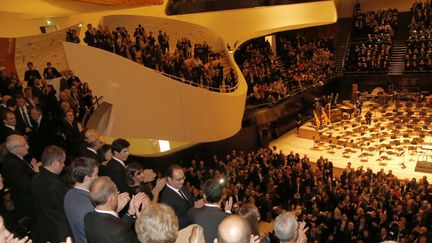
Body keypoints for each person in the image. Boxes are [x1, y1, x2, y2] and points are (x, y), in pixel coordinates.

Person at [84, 177, 147, 243]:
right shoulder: (118, 231)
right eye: (117, 191)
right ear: (112, 197)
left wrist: (130, 212)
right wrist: (142, 221)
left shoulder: (88, 217)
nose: (118, 193)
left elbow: (112, 226)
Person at [31, 145, 72, 242]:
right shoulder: (55, 185)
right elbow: (66, 208)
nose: (63, 165)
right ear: (55, 163)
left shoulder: (36, 177)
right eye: (63, 162)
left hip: (44, 228)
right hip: (60, 231)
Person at [2, 135, 38, 228]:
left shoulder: (16, 158)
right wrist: (36, 172)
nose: (28, 146)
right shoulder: (12, 163)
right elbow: (27, 185)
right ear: (15, 148)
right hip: (28, 205)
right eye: (24, 144)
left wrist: (33, 169)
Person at [64, 157, 99, 243]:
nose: (98, 177)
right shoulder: (89, 203)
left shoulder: (69, 194)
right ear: (86, 178)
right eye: (96, 175)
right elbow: (100, 233)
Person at [188, 179, 231, 243]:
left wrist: (195, 208)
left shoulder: (192, 212)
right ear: (221, 198)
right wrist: (228, 211)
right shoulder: (228, 217)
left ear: (204, 196)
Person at [159, 164, 197, 229]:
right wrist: (195, 212)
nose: (182, 181)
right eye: (179, 179)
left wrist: (196, 203)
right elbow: (174, 223)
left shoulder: (180, 186)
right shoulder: (166, 198)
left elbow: (187, 201)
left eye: (183, 178)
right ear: (169, 179)